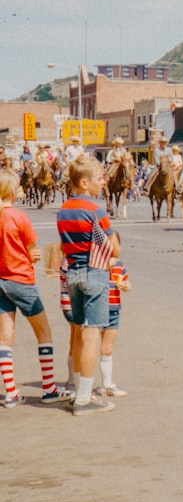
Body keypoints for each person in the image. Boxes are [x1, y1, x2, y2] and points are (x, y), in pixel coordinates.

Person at [0, 169, 72, 407]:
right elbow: (33, 253)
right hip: (22, 281)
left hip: (1, 283)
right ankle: (49, 388)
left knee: (5, 337)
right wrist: (36, 256)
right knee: (44, 333)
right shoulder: (19, 218)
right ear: (12, 191)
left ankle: (11, 392)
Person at [56, 155, 115, 416]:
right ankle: (84, 399)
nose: (103, 183)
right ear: (84, 182)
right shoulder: (95, 210)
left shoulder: (63, 210)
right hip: (94, 274)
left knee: (80, 332)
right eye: (99, 179)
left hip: (73, 273)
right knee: (93, 334)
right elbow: (114, 247)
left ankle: (80, 389)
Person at [97, 231, 130, 398]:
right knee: (89, 345)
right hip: (97, 308)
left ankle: (106, 385)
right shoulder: (95, 265)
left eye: (116, 245)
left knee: (107, 348)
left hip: (113, 309)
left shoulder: (120, 265)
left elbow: (126, 283)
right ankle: (78, 384)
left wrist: (125, 286)